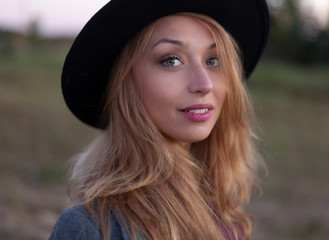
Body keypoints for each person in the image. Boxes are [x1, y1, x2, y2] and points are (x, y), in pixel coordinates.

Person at [49, 0, 270, 239]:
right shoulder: (91, 228)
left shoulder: (223, 210)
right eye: (171, 60)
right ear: (127, 82)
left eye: (213, 60)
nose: (204, 84)